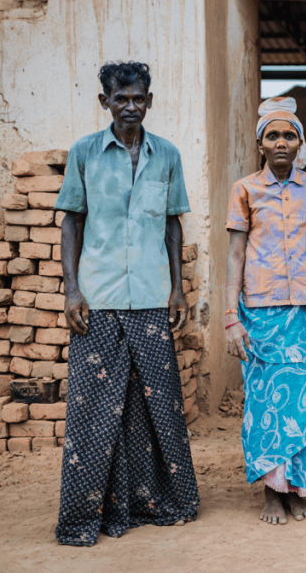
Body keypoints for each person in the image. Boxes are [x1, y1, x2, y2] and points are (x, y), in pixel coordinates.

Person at [54, 61, 199, 546]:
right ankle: (88, 513)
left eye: (139, 98)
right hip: (99, 298)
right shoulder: (85, 154)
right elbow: (72, 221)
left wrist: (177, 288)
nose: (131, 107)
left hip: (152, 298)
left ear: (150, 101)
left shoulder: (168, 155)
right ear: (105, 103)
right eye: (121, 99)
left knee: (156, 405)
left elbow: (172, 225)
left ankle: (159, 501)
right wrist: (72, 289)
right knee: (95, 409)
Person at [224, 97, 306, 526]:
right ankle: (272, 493)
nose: (281, 142)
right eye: (273, 135)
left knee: (305, 403)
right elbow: (235, 256)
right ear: (261, 144)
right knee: (265, 405)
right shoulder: (245, 189)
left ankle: (299, 488)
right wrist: (230, 318)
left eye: (289, 135)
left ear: (299, 143)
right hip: (261, 313)